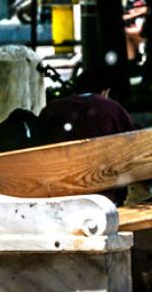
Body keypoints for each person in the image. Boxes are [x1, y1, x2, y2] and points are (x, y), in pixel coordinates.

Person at [38, 69, 137, 204]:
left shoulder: (52, 109)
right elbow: (133, 147)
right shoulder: (112, 109)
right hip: (104, 193)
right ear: (105, 92)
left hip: (58, 190)